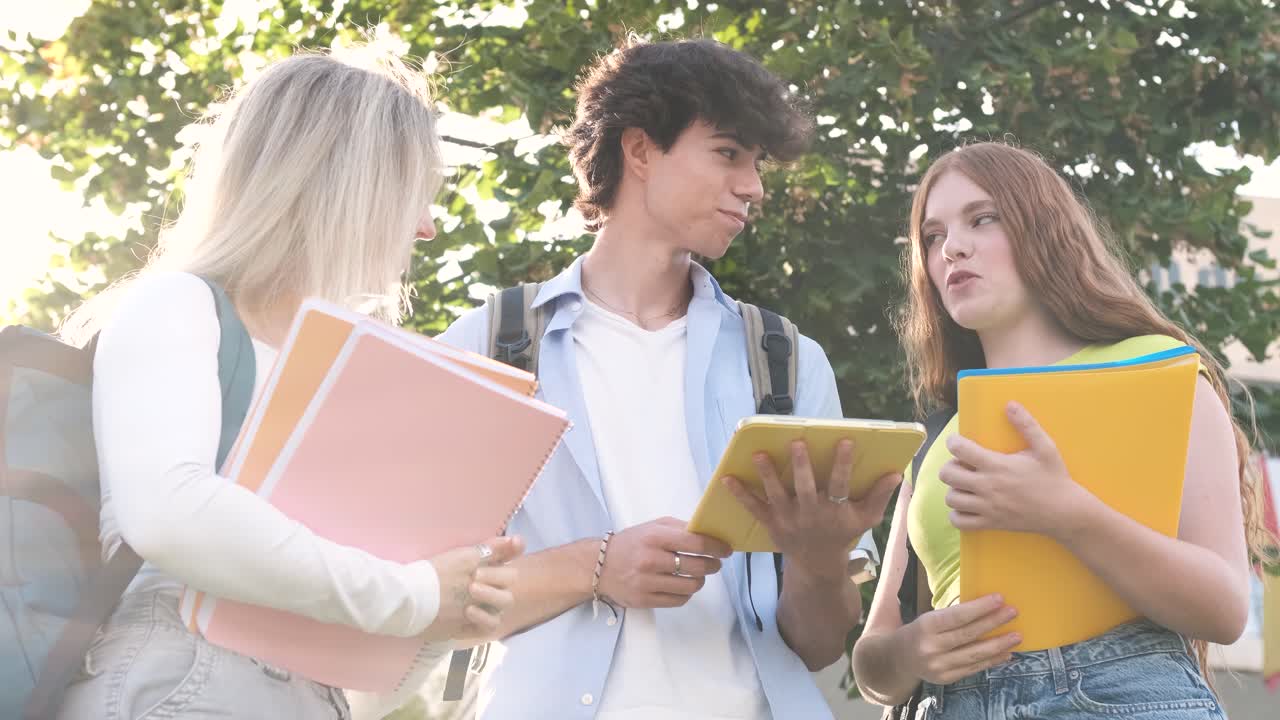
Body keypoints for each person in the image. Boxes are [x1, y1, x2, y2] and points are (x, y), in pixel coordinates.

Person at [54, 44, 522, 720]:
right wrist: (413, 595)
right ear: (338, 184)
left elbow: (369, 692)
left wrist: (442, 620)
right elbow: (171, 513)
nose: (427, 228)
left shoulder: (349, 377)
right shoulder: (179, 306)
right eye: (414, 195)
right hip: (182, 683)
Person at [439, 37, 901, 720]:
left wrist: (822, 557)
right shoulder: (487, 345)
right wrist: (597, 566)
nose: (753, 186)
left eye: (757, 163)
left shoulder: (785, 360)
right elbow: (421, 598)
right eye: (728, 153)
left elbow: (819, 644)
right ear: (640, 150)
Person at [851, 141, 1273, 718]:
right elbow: (873, 661)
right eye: (932, 236)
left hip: (1123, 697)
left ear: (1043, 229)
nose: (952, 247)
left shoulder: (1154, 371)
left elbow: (1224, 608)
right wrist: (911, 652)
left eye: (983, 219)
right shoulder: (935, 439)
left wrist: (1066, 513)